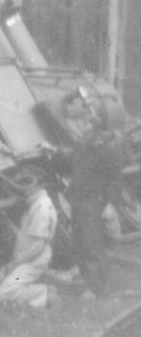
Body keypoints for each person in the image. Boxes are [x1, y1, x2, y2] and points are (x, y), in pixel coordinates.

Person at [69, 120, 125, 297]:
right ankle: (90, 283)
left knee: (91, 245)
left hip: (93, 202)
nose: (78, 126)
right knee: (80, 244)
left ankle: (98, 289)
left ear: (93, 126)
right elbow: (73, 162)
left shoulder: (106, 145)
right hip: (79, 201)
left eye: (82, 123)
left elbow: (115, 177)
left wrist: (110, 204)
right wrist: (54, 151)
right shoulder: (82, 143)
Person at [0, 183, 59, 309]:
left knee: (2, 293)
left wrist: (16, 263)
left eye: (26, 185)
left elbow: (39, 246)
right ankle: (35, 290)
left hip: (33, 262)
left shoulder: (41, 208)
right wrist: (7, 222)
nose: (21, 188)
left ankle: (44, 292)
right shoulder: (37, 204)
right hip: (28, 259)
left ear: (35, 186)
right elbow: (28, 236)